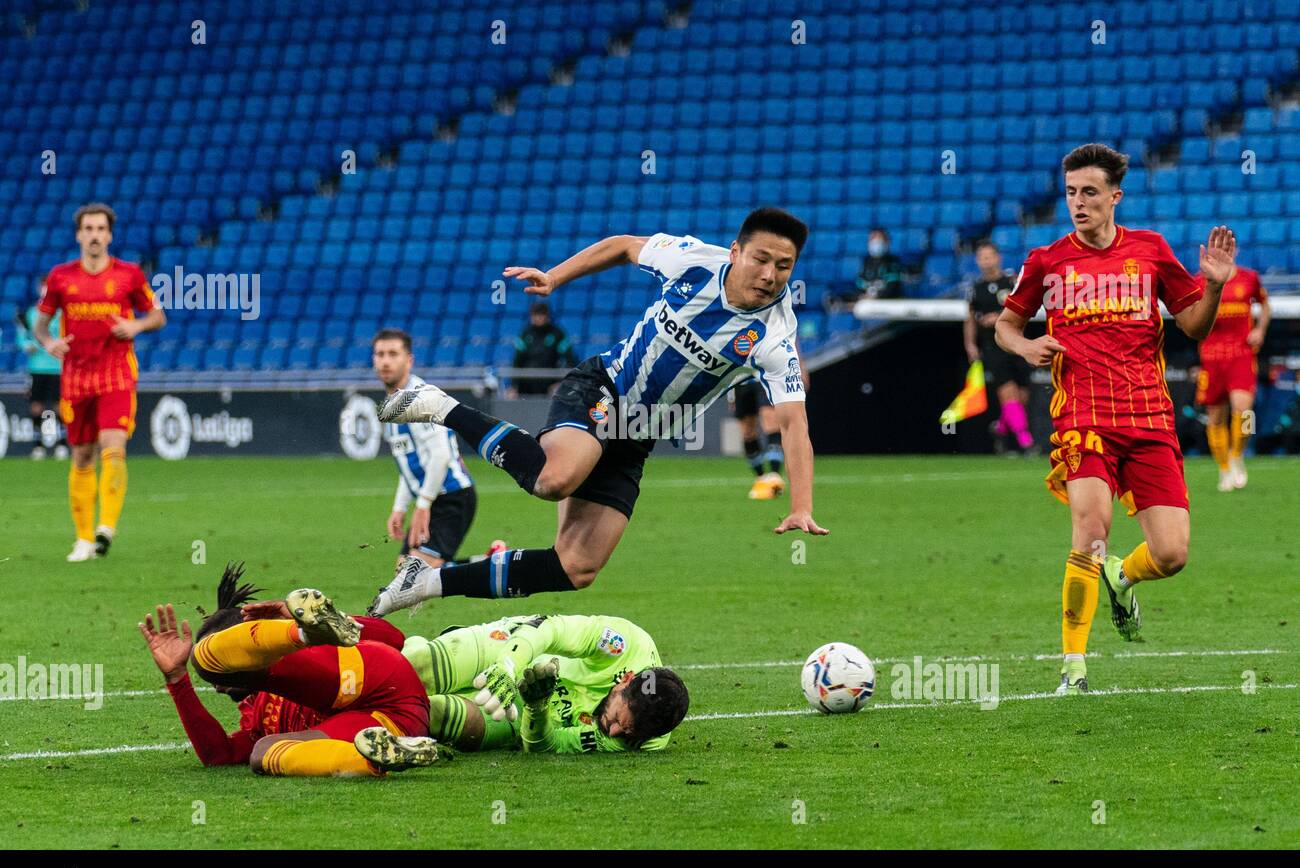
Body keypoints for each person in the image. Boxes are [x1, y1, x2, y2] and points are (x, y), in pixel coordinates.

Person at [367, 207, 826, 616]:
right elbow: (622, 246)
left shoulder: (774, 337)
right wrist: (555, 277)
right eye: (761, 259)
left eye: (784, 266)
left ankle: (426, 581)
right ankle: (439, 405)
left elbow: (794, 425)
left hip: (638, 435)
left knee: (577, 566)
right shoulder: (692, 261)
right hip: (603, 387)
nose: (770, 274)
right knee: (554, 478)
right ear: (734, 252)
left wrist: (801, 505)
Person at [993, 143, 1236, 694]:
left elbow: (1194, 326)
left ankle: (1123, 577)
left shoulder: (1150, 251)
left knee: (1172, 554)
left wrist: (1215, 284)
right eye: (1072, 193)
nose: (1078, 203)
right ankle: (1073, 668)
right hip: (1082, 415)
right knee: (1091, 531)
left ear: (1115, 196)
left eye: (1090, 193)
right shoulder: (1047, 260)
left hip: (1149, 415)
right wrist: (1023, 344)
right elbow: (1005, 326)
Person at [139, 564, 429, 777]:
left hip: (377, 679)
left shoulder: (284, 662)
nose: (218, 689)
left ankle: (304, 634)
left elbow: (395, 638)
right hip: (397, 724)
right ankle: (373, 760)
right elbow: (219, 756)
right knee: (262, 753)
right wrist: (176, 680)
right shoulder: (254, 722)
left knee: (204, 661)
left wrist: (304, 625)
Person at [355, 613, 690, 769]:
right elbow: (550, 629)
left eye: (624, 732)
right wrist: (507, 667)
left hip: (521, 713)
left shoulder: (640, 739)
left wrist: (537, 706)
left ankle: (342, 727)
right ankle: (337, 641)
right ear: (625, 680)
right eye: (618, 718)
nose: (613, 730)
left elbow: (545, 746)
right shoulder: (623, 643)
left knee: (438, 713)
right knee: (415, 665)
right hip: (513, 649)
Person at [34, 203, 167, 561]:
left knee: (114, 446)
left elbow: (157, 315)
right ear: (79, 234)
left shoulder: (129, 274)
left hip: (116, 373)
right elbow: (41, 325)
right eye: (88, 229)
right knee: (81, 455)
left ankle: (105, 527)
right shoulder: (61, 277)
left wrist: (135, 326)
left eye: (100, 229)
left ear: (109, 235)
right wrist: (49, 344)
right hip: (76, 375)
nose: (94, 235)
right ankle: (82, 539)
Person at [371, 328, 480, 569]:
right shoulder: (392, 405)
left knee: (416, 576)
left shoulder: (420, 399)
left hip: (452, 496)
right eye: (380, 354)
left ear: (408, 360)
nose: (385, 361)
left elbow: (440, 456)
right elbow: (409, 465)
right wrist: (399, 508)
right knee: (406, 571)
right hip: (434, 498)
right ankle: (490, 561)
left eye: (393, 354)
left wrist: (422, 505)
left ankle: (496, 564)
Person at [1195, 265, 1270, 491]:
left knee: (1245, 412)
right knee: (1215, 418)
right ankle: (1224, 467)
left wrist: (1260, 330)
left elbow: (1265, 305)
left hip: (1242, 354)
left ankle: (1237, 454)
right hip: (1212, 356)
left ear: (1233, 249)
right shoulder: (1200, 282)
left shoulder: (1250, 277)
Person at [965, 241, 1036, 455]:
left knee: (1022, 398)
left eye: (989, 256)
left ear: (998, 258)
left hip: (1016, 343)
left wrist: (1001, 318)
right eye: (982, 257)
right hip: (992, 346)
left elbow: (1026, 307)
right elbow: (969, 319)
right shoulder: (975, 289)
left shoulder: (1011, 282)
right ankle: (1027, 443)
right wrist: (970, 344)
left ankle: (1000, 428)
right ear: (977, 261)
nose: (986, 261)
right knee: (1008, 394)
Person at [14, 277, 67, 459]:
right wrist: (28, 344)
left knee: (59, 407)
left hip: (57, 367)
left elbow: (67, 336)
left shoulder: (61, 314)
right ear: (39, 288)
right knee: (36, 407)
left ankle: (62, 445)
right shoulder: (31, 313)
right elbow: (22, 338)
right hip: (37, 368)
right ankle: (38, 446)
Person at [510, 301, 576, 396]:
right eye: (536, 314)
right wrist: (514, 385)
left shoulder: (557, 334)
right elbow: (517, 361)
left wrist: (561, 383)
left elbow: (569, 360)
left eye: (542, 314)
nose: (539, 318)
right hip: (526, 383)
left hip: (550, 383)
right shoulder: (525, 334)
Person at [856, 228, 905, 300]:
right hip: (868, 303)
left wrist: (876, 297)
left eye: (879, 240)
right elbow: (859, 285)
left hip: (888, 303)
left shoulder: (893, 262)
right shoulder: (866, 262)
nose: (876, 243)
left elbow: (892, 287)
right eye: (873, 239)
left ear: (887, 242)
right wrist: (862, 296)